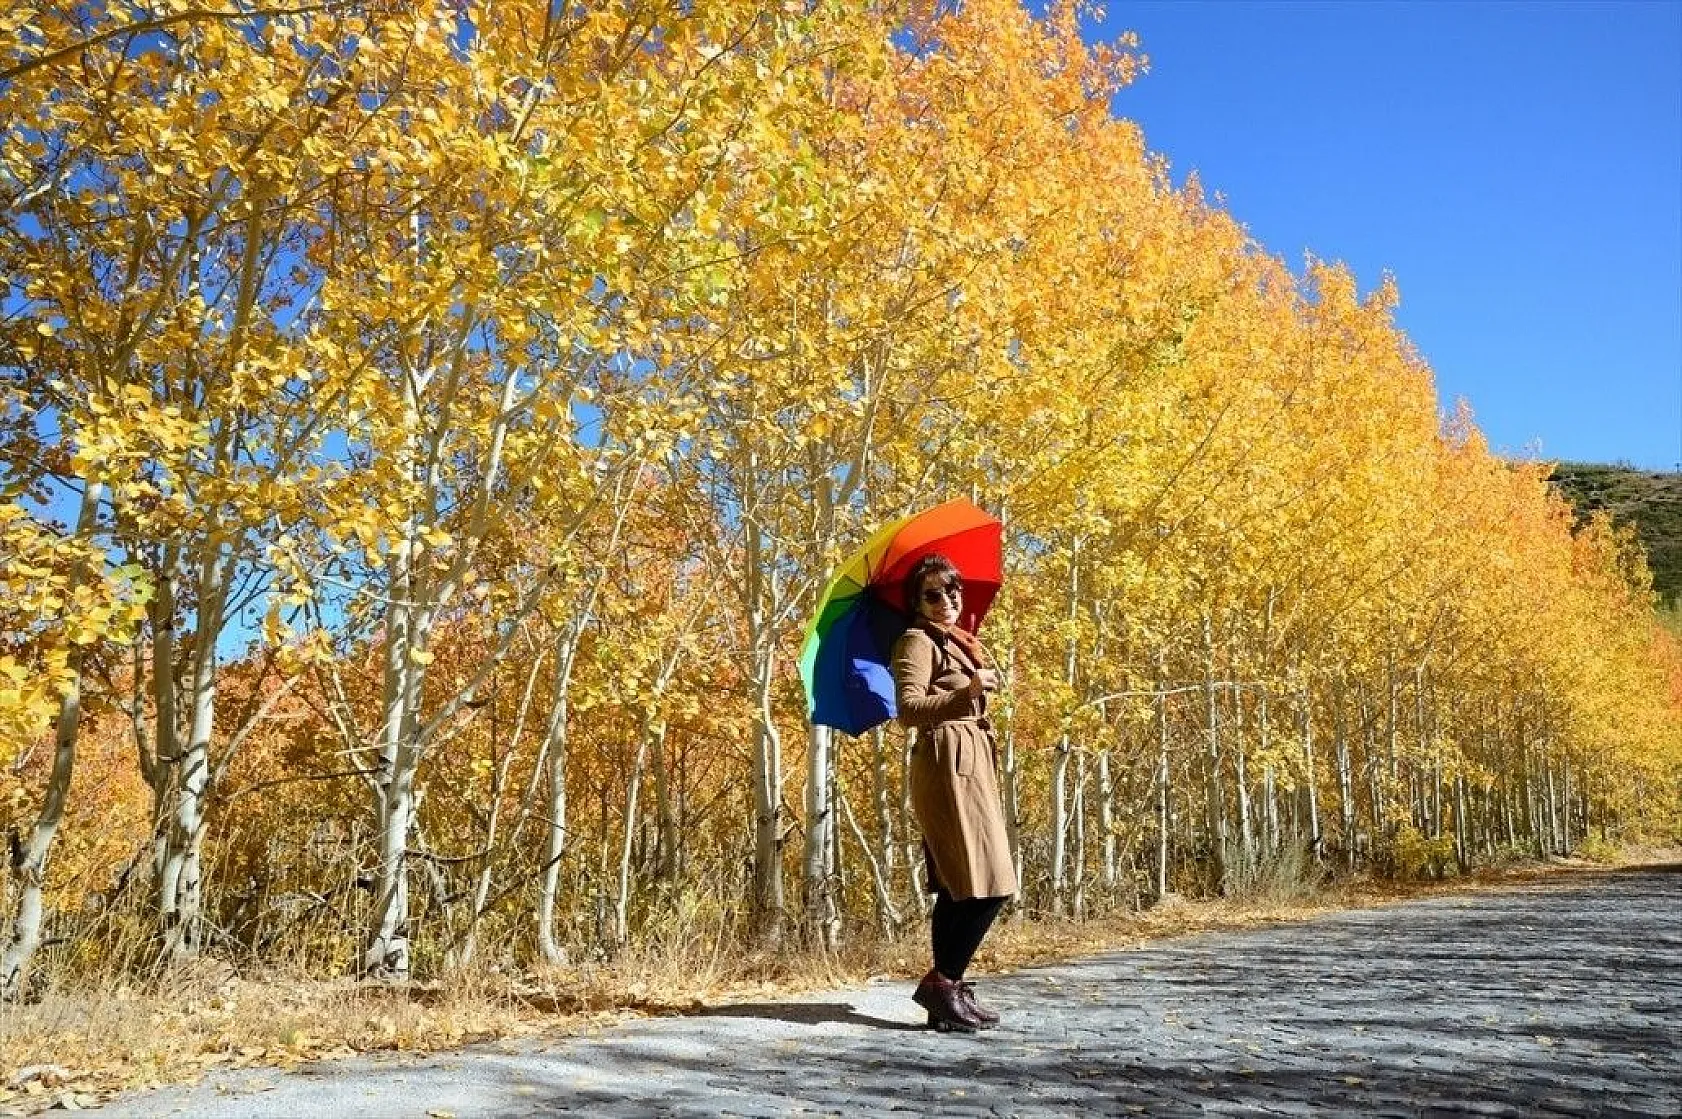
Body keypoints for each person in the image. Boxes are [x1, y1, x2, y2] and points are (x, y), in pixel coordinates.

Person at [891, 553, 1017, 1032]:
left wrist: (978, 687)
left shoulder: (959, 642)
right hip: (947, 765)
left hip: (970, 759)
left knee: (956, 886)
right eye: (934, 594)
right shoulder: (915, 640)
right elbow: (908, 708)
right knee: (987, 884)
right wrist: (967, 692)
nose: (947, 600)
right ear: (916, 602)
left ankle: (948, 992)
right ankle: (942, 981)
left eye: (953, 591)